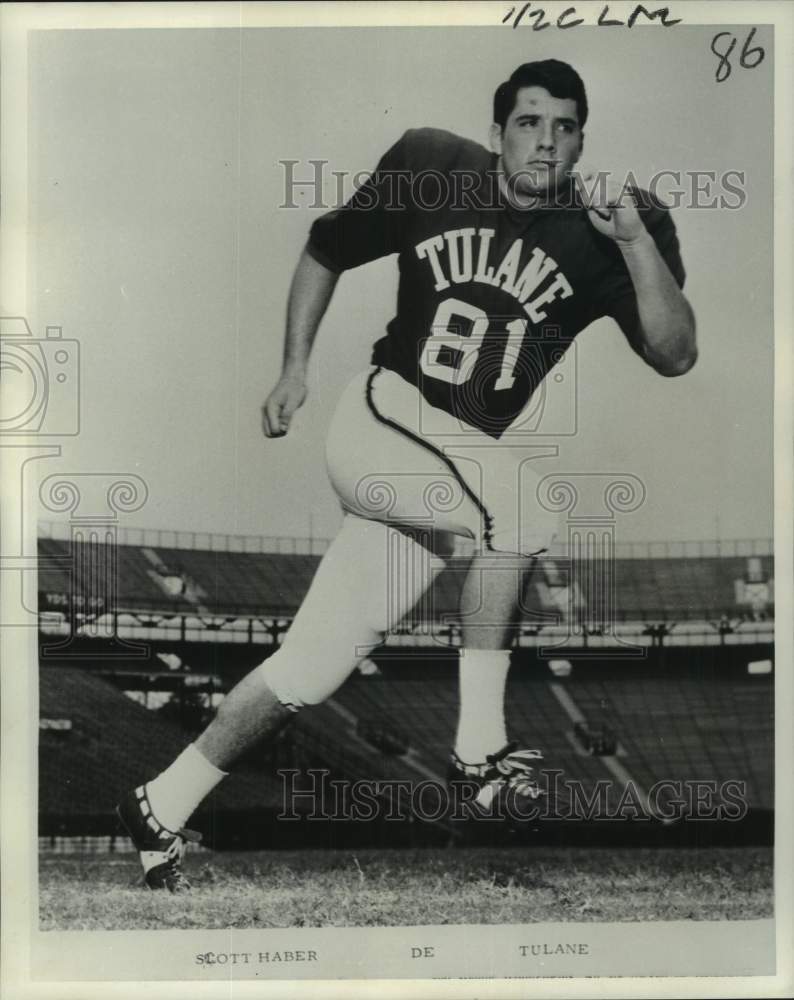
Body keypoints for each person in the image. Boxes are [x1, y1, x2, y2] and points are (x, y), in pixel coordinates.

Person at [118, 59, 696, 890]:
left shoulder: (607, 228)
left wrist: (638, 248)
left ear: (582, 140)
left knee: (310, 667)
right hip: (387, 418)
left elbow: (677, 354)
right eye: (530, 122)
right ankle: (479, 749)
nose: (547, 142)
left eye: (565, 127)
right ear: (498, 131)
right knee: (525, 512)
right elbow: (326, 248)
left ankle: (159, 805)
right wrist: (292, 368)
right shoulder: (434, 165)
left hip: (444, 475)